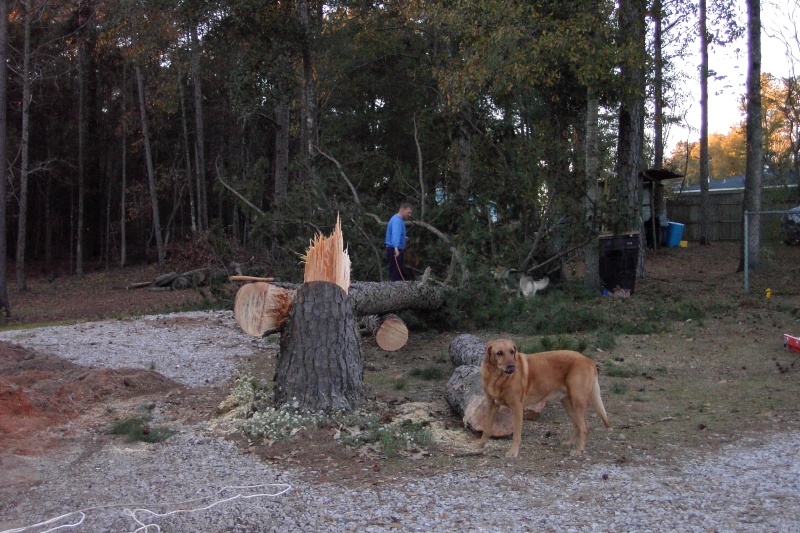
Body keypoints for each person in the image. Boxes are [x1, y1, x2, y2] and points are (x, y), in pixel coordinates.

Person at [385, 203, 412, 281]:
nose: (409, 215)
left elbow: (397, 233)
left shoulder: (397, 219)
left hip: (395, 248)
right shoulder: (397, 220)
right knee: (396, 274)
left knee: (401, 272)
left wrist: (404, 238)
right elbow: (395, 234)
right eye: (408, 212)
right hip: (394, 249)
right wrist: (396, 248)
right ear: (403, 209)